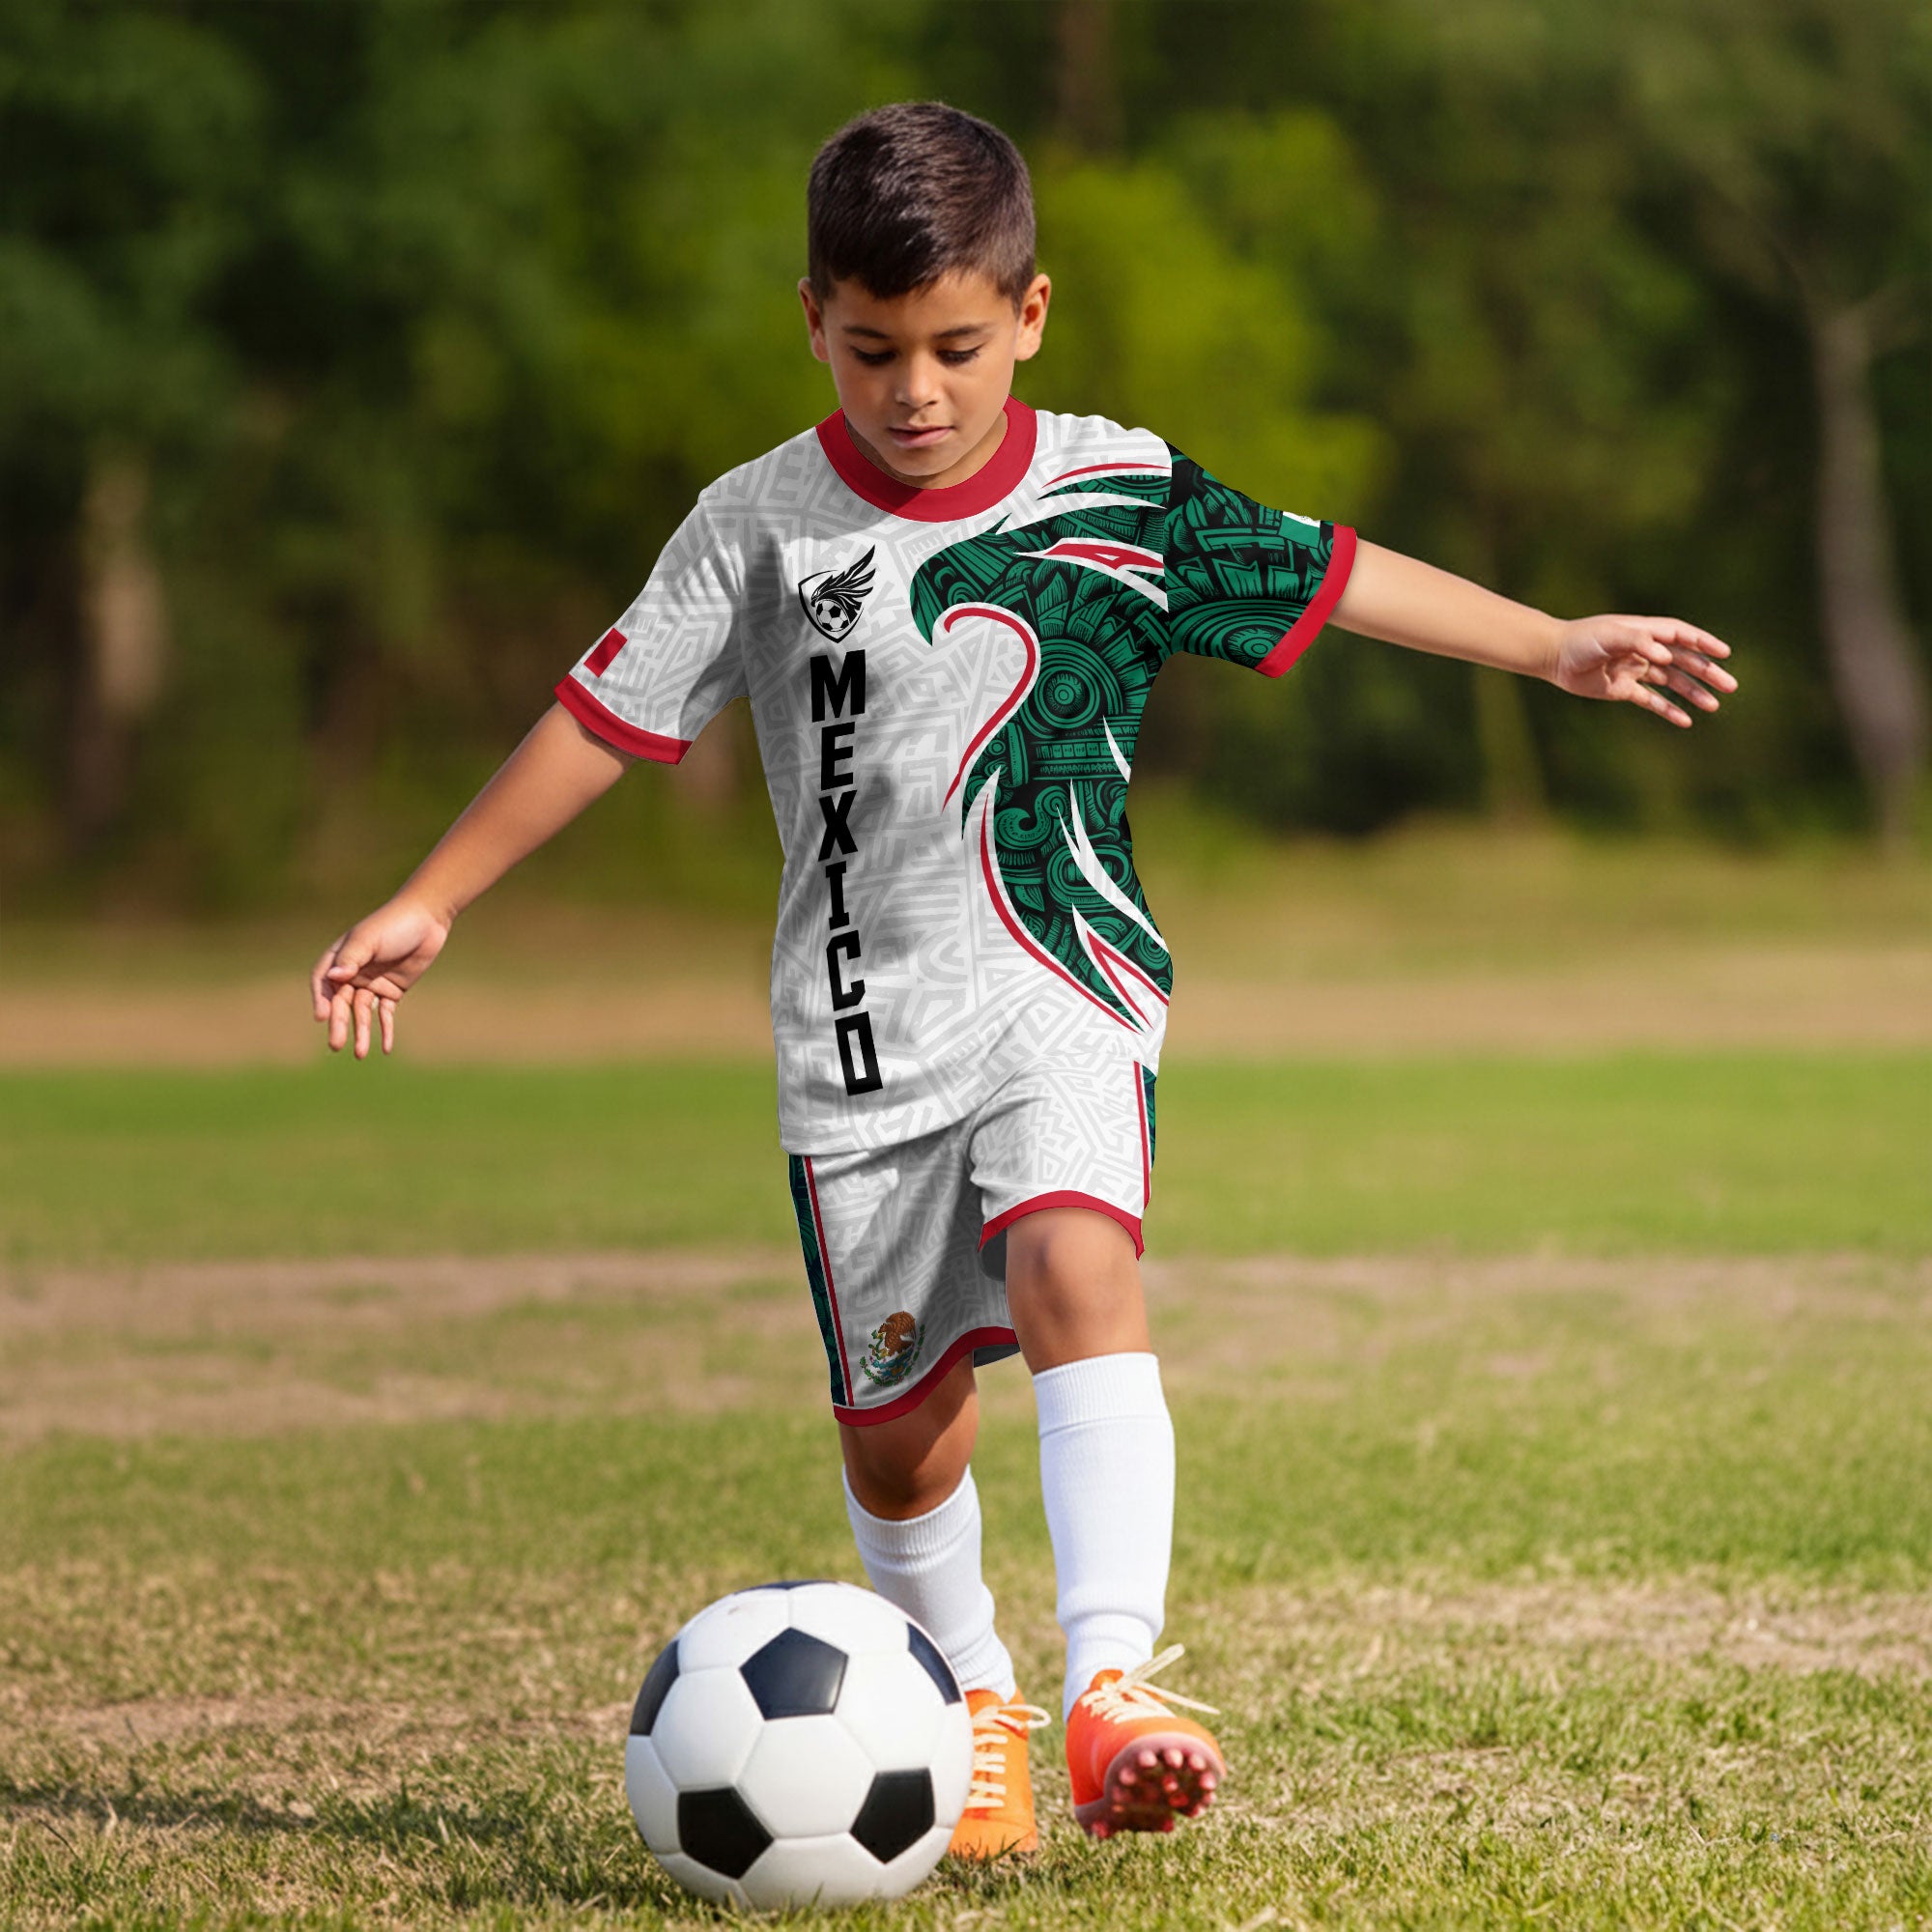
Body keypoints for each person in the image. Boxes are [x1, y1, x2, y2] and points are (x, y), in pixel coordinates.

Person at [310, 101, 1736, 1858]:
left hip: (1064, 980)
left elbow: (1333, 571)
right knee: (905, 1440)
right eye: (874, 349)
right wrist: (432, 895)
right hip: (857, 1047)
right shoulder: (753, 523)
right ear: (814, 323)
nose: (918, 389)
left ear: (1032, 316)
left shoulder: (1117, 493)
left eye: (959, 349)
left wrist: (1554, 643)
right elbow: (606, 716)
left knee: (1080, 1261)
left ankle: (1110, 1686)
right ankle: (971, 1690)